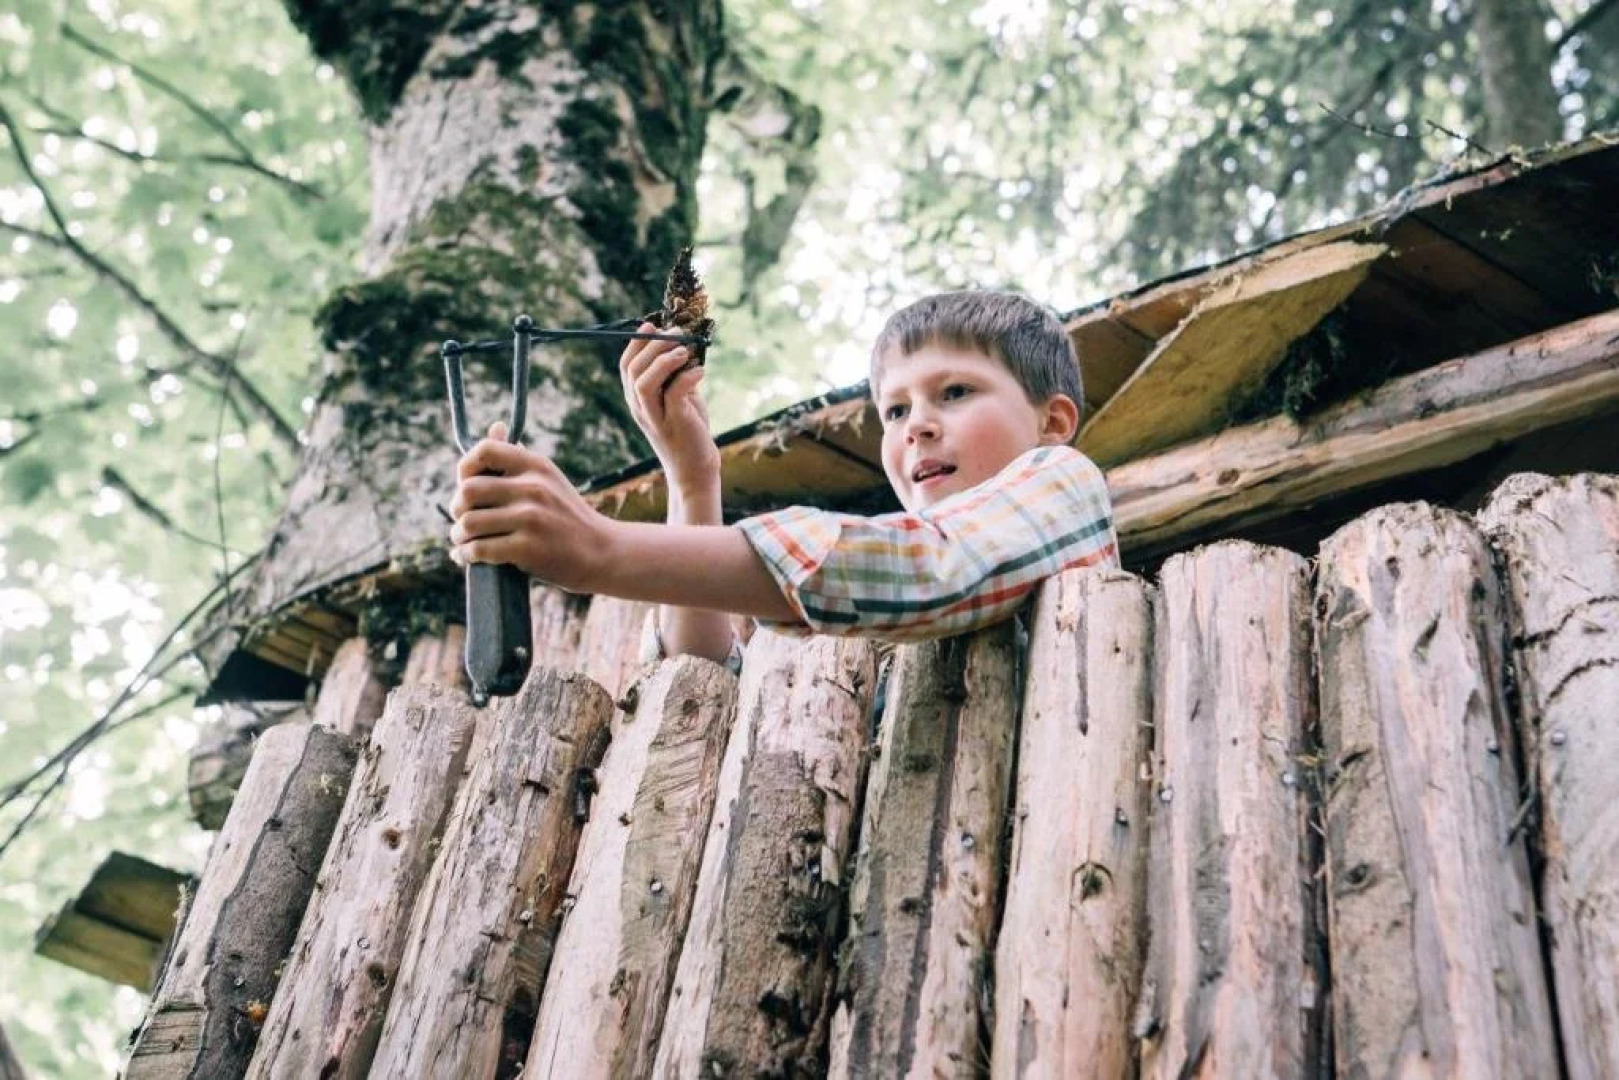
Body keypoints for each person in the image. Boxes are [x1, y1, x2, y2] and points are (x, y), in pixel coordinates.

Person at [448, 290, 1118, 664]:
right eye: (894, 408)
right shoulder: (854, 609)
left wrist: (600, 549)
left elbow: (930, 570)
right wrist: (691, 479)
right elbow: (701, 681)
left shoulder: (1061, 482)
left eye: (954, 393)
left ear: (1052, 420)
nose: (915, 424)